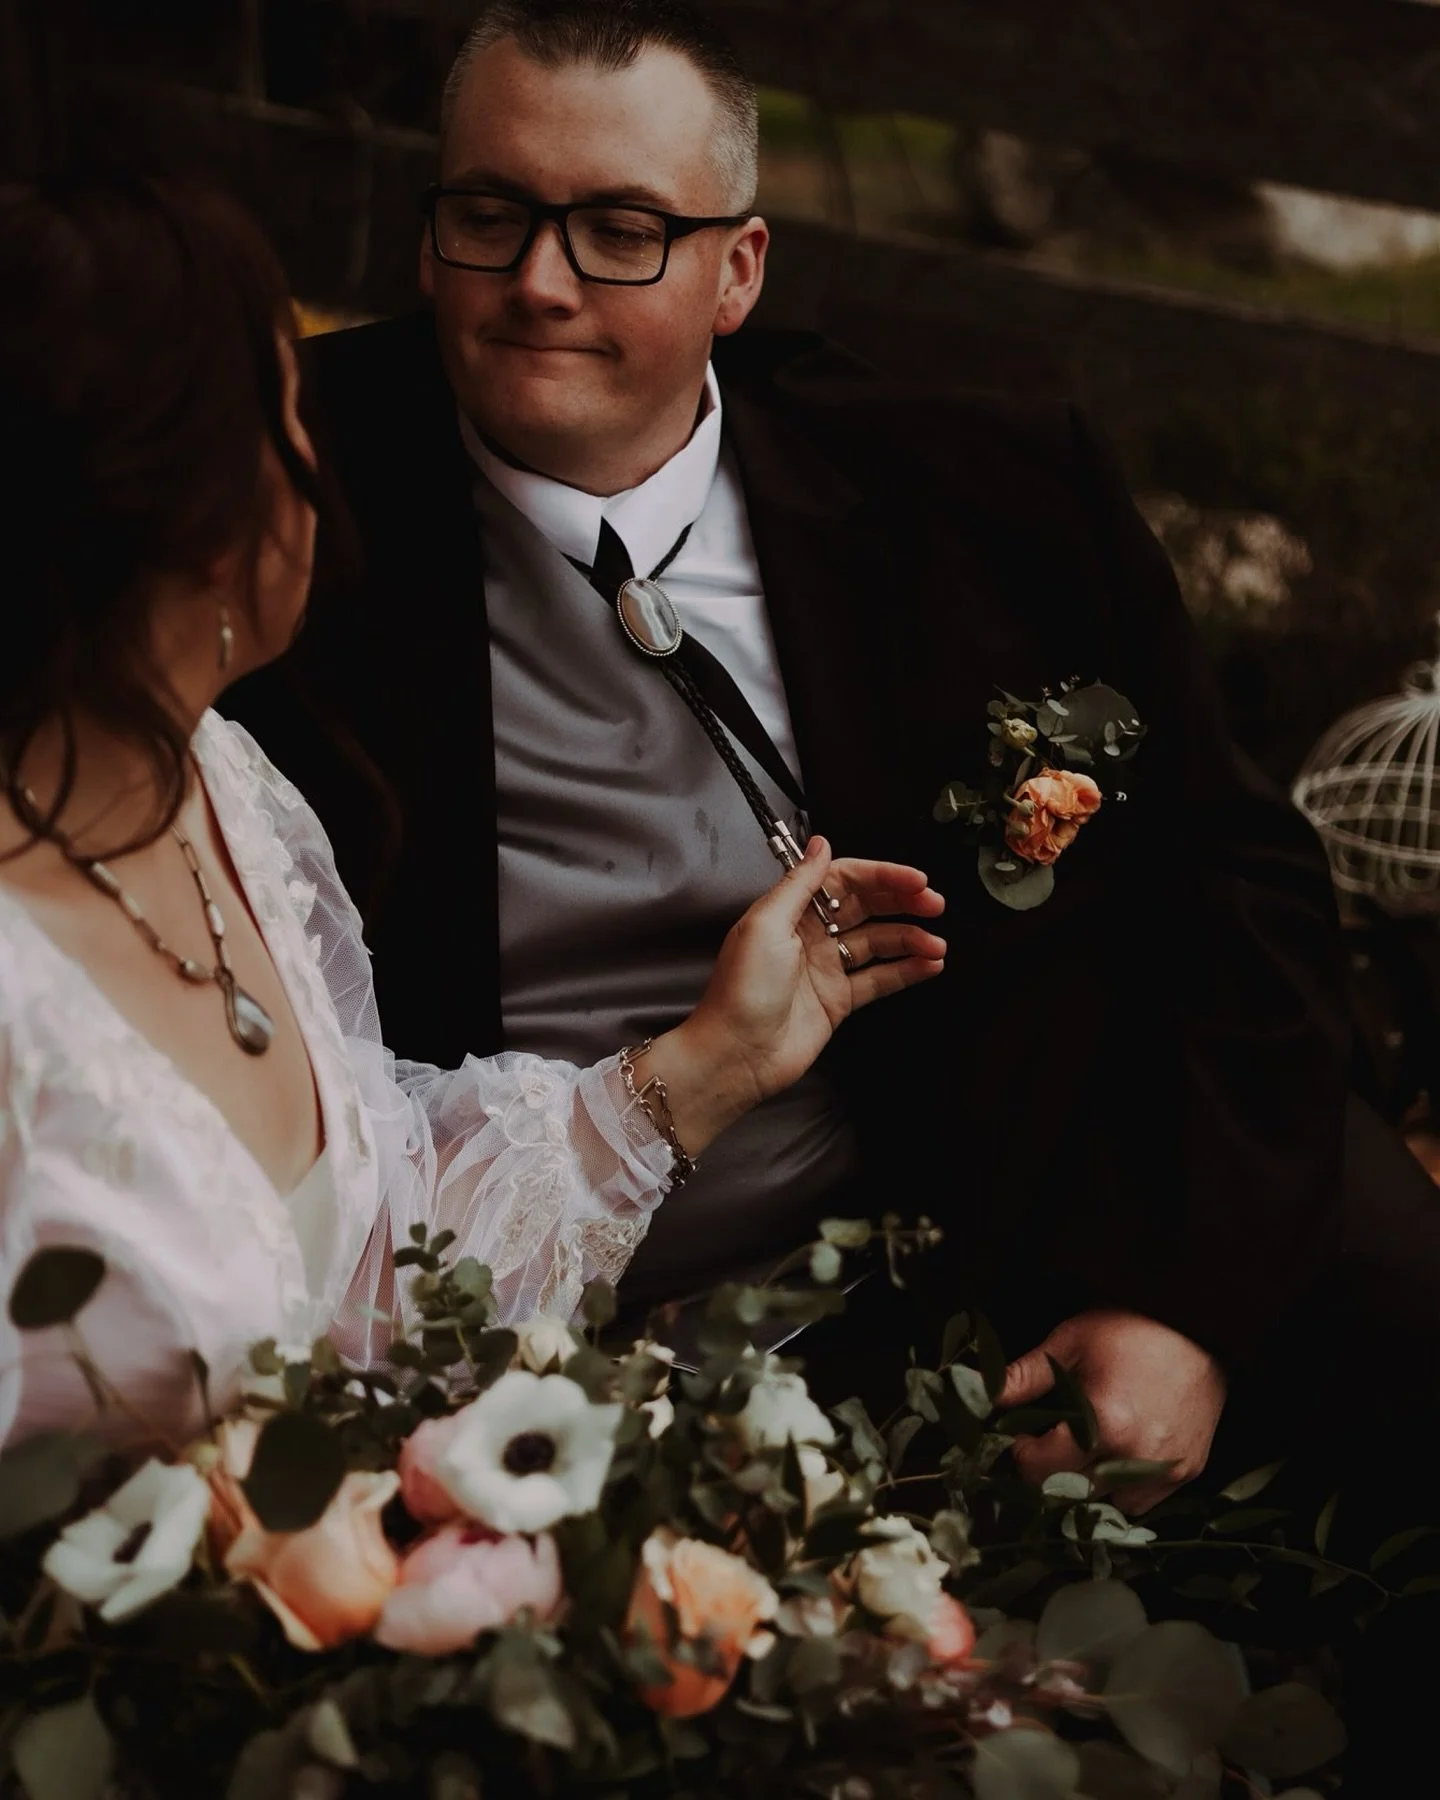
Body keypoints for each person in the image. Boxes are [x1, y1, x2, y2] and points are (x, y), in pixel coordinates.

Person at [224, 0, 1364, 1514]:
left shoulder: (984, 485)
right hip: (483, 1327)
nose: (538, 283)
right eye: (489, 216)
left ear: (737, 270)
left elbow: (1238, 879)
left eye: (621, 228)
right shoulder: (263, 497)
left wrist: (1180, 1302)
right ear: (433, 237)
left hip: (968, 1259)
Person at [0, 170, 947, 1453]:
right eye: (291, 421)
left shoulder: (223, 791)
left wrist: (711, 1062)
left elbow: (378, 1254)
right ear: (210, 527)